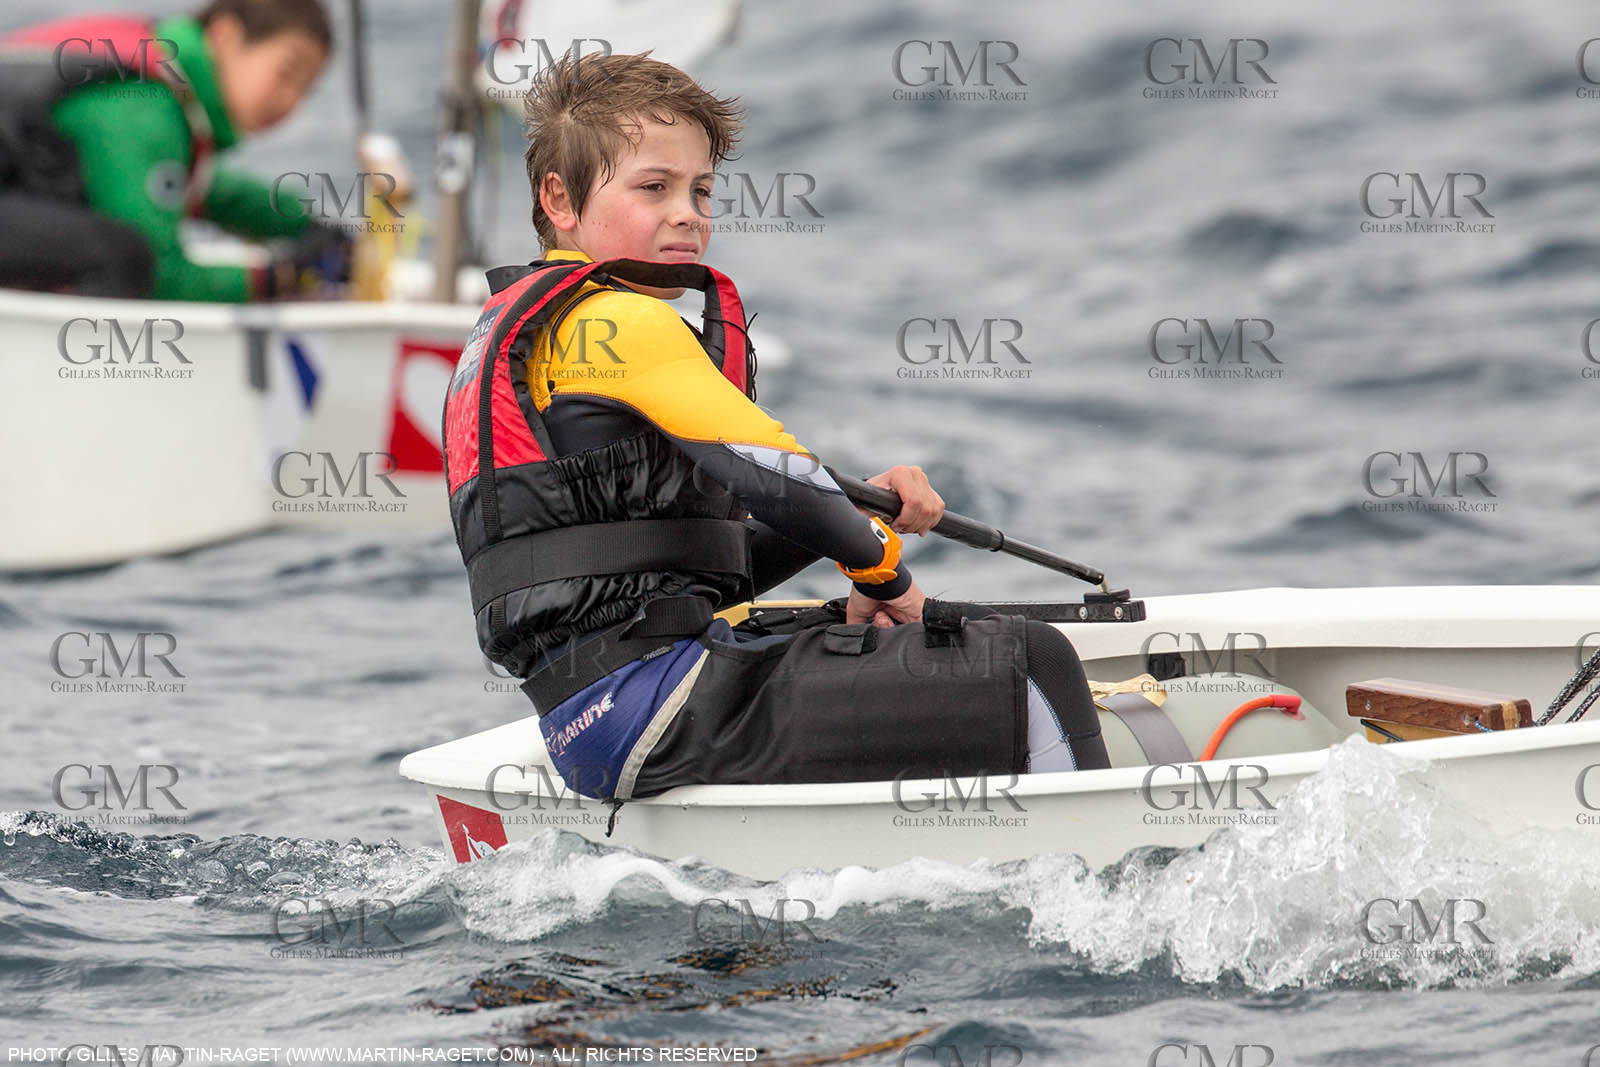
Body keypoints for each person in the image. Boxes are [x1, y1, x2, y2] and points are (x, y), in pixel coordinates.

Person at [442, 51, 1110, 805]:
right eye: (653, 187)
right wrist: (881, 568)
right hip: (664, 705)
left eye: (701, 190)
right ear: (558, 199)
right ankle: (1112, 882)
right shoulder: (620, 320)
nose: (686, 212)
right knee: (1033, 662)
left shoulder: (519, 340)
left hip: (590, 723)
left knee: (939, 645)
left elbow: (689, 567)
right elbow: (773, 472)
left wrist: (853, 517)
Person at [0, 0, 349, 300]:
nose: (291, 102)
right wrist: (277, 279)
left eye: (306, 91)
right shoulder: (144, 107)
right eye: (286, 74)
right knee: (125, 257)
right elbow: (162, 275)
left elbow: (199, 188)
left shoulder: (162, 81)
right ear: (225, 35)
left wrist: (308, 225)